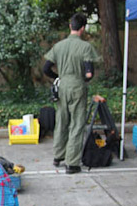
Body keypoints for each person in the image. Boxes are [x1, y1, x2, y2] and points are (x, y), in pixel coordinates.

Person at [43, 13, 101, 174]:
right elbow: (89, 74)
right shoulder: (85, 47)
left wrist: (58, 77)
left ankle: (58, 155)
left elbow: (46, 68)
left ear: (71, 26)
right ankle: (72, 162)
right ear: (82, 28)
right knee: (77, 123)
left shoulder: (59, 46)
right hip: (77, 86)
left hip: (62, 86)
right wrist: (82, 79)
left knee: (61, 120)